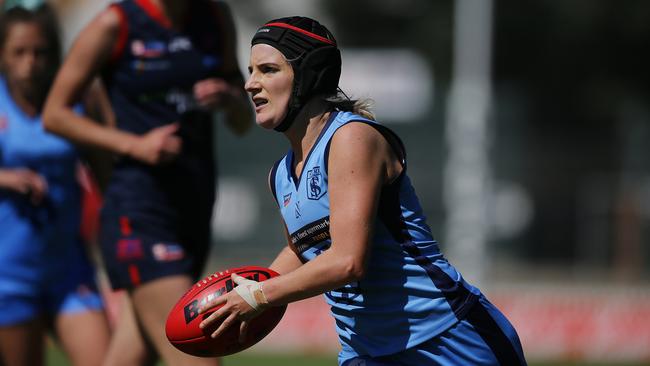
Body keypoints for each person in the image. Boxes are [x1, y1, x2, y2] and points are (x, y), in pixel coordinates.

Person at [197, 16, 528, 366]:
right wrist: (242, 293)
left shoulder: (352, 139)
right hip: (366, 350)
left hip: (447, 341)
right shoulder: (280, 174)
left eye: (267, 69)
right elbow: (302, 247)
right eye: (250, 70)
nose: (250, 84)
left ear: (309, 75)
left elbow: (348, 261)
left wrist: (262, 295)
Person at [42, 0, 253, 364]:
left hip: (193, 206)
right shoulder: (116, 23)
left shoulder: (215, 16)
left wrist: (230, 100)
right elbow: (55, 115)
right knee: (199, 350)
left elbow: (242, 122)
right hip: (138, 209)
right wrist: (134, 145)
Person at [0, 3, 111, 366]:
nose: (30, 62)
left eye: (40, 52)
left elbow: (106, 174)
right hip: (9, 273)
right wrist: (7, 177)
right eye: (19, 52)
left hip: (68, 269)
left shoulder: (76, 101)